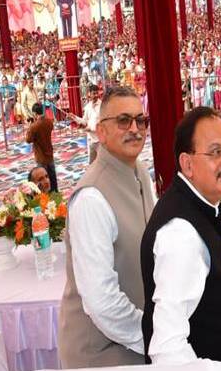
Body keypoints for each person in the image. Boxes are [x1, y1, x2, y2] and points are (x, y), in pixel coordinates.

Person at [141, 107, 221, 370]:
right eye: (215, 152)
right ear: (188, 164)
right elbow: (167, 348)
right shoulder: (180, 234)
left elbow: (215, 290)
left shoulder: (201, 205)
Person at [59, 86, 155, 368]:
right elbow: (102, 303)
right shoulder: (91, 198)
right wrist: (156, 336)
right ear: (101, 132)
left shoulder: (140, 172)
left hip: (140, 335)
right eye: (123, 121)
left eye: (141, 120)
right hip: (102, 352)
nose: (135, 129)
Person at [26, 102, 57, 192]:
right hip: (49, 153)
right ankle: (55, 192)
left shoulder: (34, 126)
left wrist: (30, 125)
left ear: (35, 113)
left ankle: (46, 195)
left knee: (42, 179)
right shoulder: (49, 122)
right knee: (52, 176)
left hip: (40, 155)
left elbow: (28, 139)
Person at [68, 84, 102, 163]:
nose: (96, 95)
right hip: (91, 139)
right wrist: (74, 117)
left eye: (97, 93)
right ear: (89, 94)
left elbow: (103, 123)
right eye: (94, 93)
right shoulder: (87, 107)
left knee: (102, 163)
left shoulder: (102, 106)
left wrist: (91, 129)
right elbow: (84, 121)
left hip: (100, 140)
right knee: (91, 162)